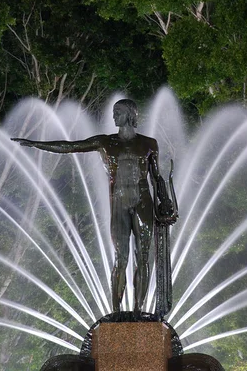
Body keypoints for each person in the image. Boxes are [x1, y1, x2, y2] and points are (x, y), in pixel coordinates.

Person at [11, 99, 174, 314]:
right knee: (121, 257)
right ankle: (116, 312)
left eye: (118, 112)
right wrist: (36, 144)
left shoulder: (149, 144)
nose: (114, 117)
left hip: (143, 201)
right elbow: (71, 147)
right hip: (119, 202)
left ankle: (138, 310)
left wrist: (165, 199)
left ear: (129, 114)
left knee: (143, 257)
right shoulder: (104, 142)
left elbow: (157, 177)